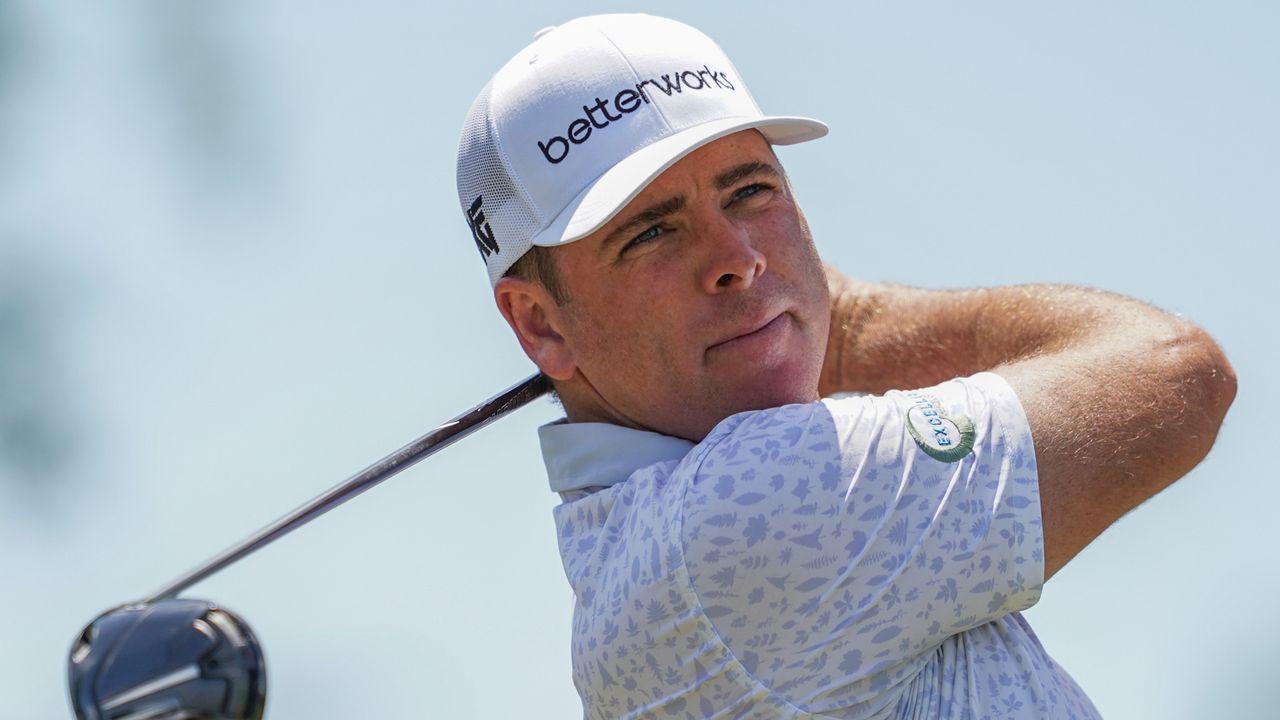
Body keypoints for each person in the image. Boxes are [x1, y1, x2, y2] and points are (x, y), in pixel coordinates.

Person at [455, 14, 1235, 719]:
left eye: (751, 191)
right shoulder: (747, 508)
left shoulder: (644, 557)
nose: (739, 258)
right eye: (652, 232)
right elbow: (1178, 373)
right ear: (540, 324)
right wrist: (847, 320)